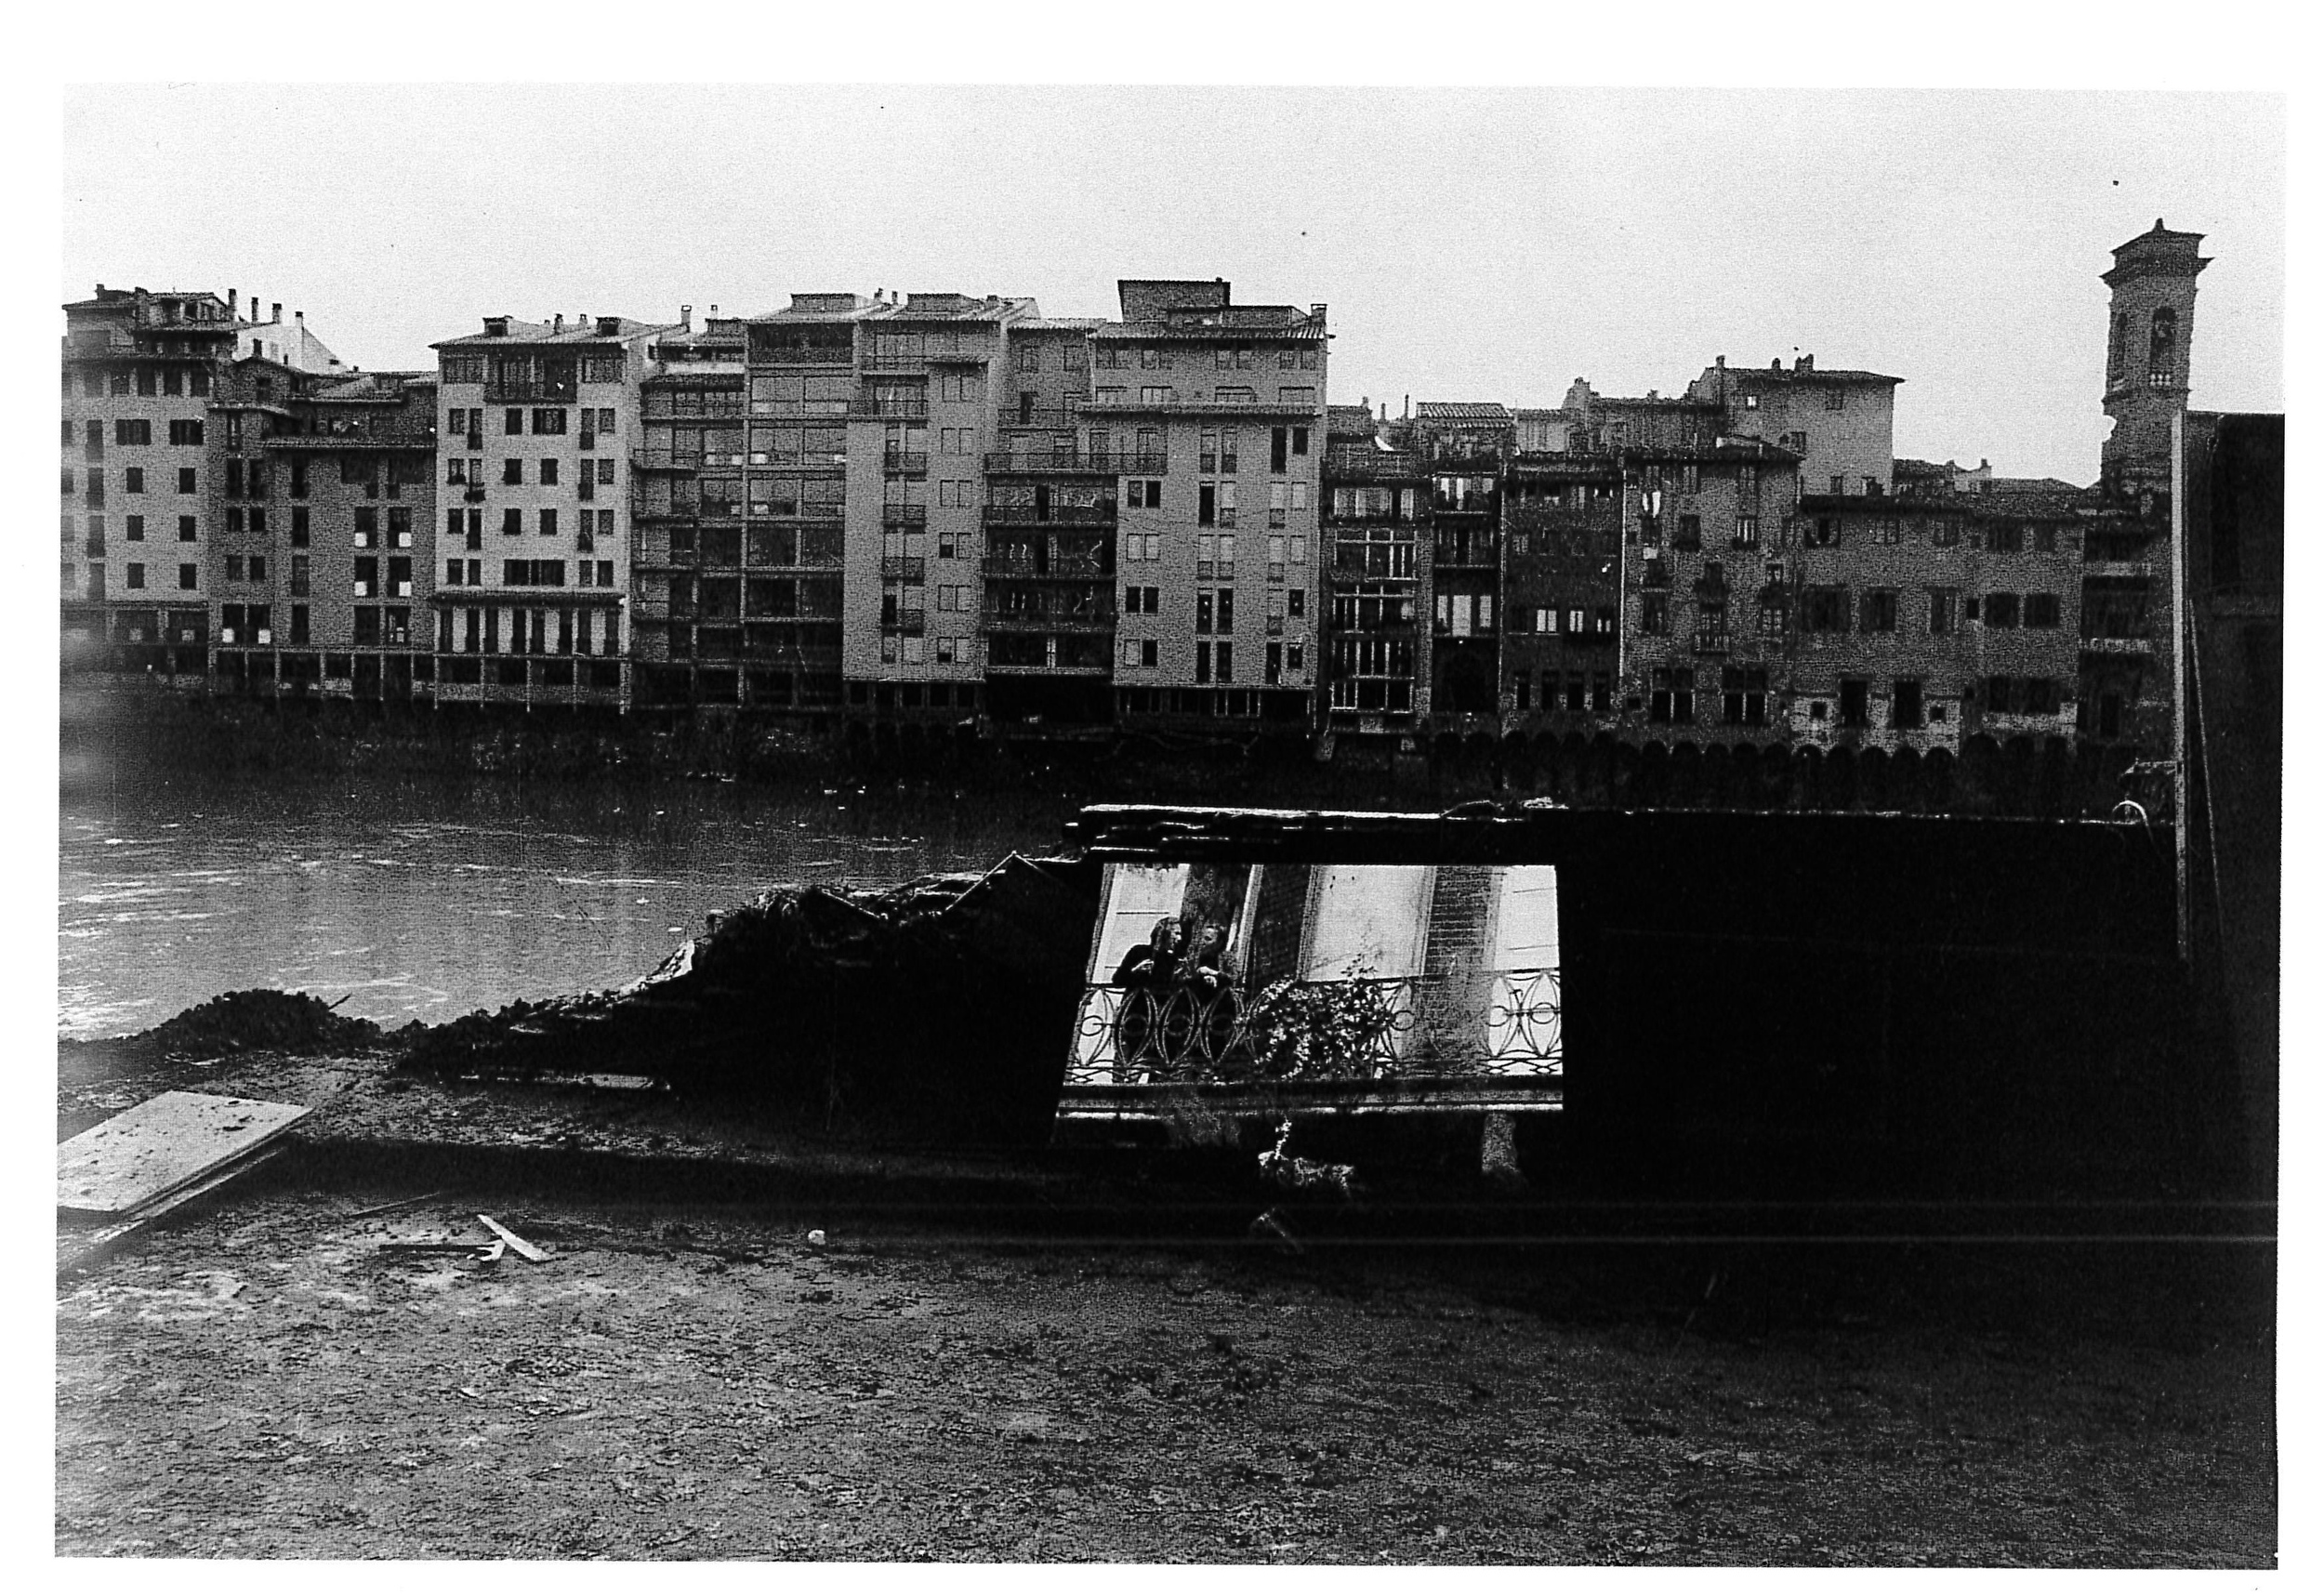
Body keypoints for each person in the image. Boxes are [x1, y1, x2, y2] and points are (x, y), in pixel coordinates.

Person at [1112, 917, 1179, 987]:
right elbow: (1117, 981)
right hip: (1138, 997)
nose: (1179, 938)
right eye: (1176, 933)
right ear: (1164, 934)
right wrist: (1136, 970)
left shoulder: (1173, 958)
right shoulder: (1139, 952)